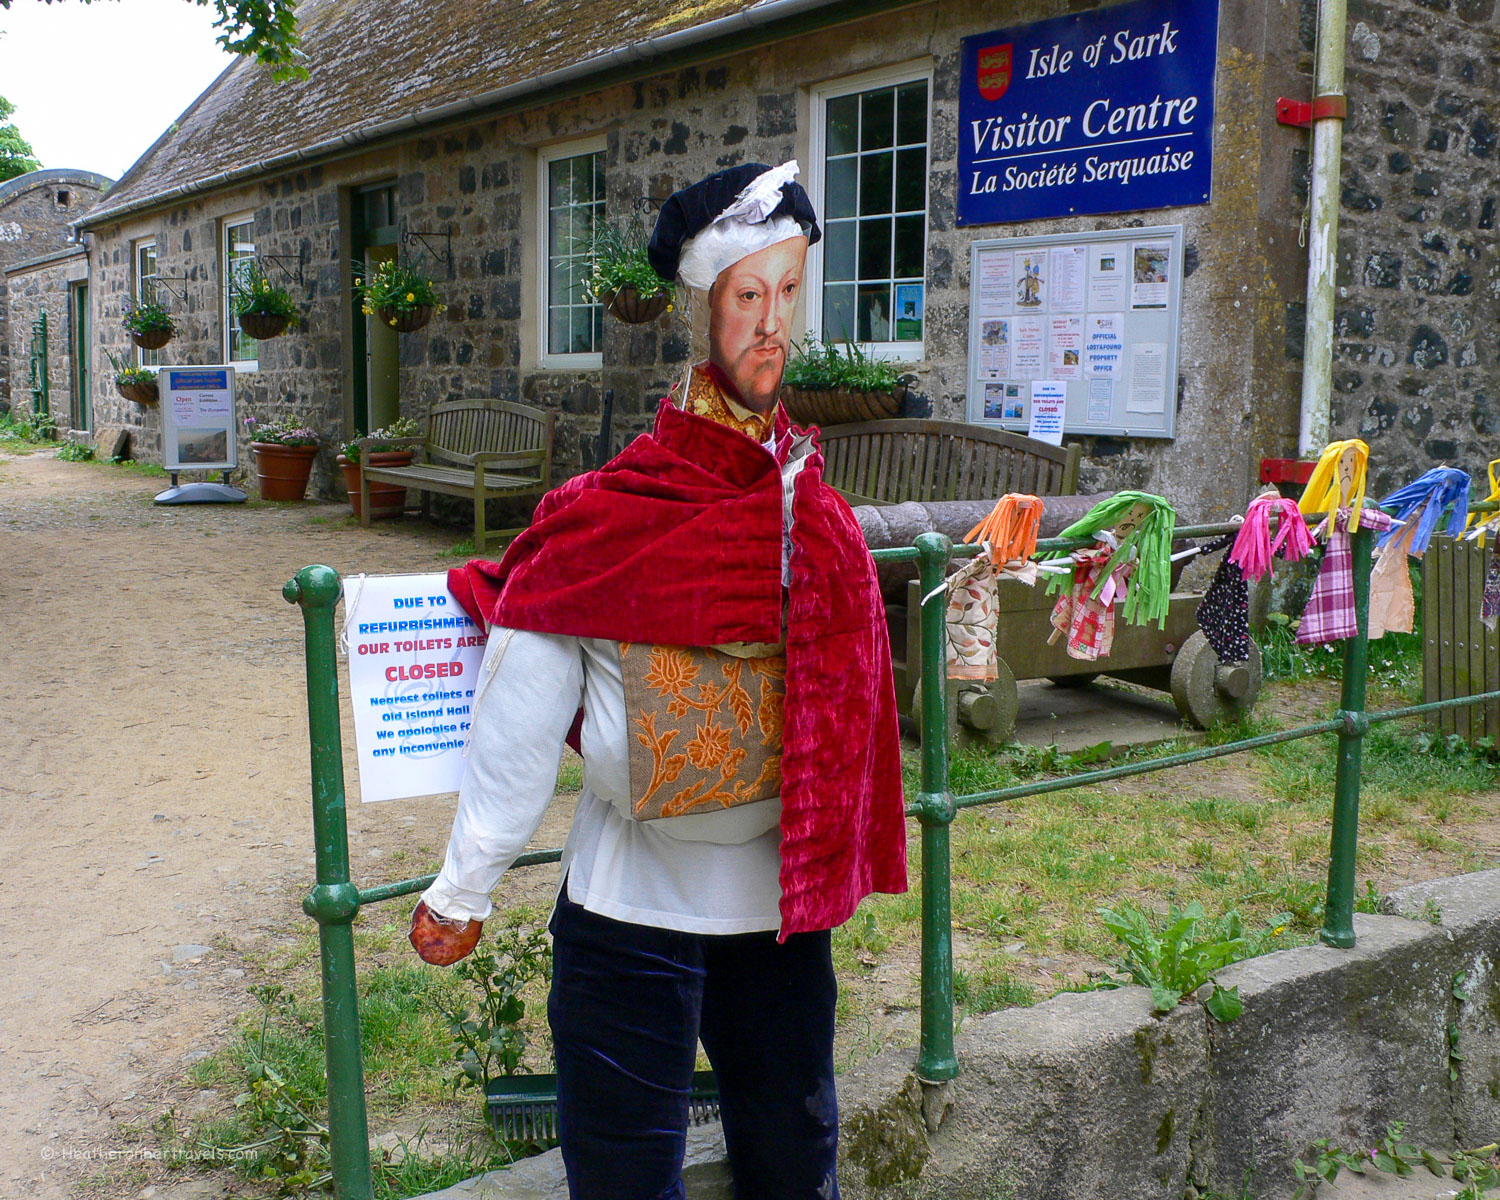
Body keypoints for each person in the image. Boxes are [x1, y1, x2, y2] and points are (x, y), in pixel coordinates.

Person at [408, 161, 907, 1200]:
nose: (771, 325)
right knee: (627, 1176)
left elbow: (852, 682)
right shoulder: (609, 519)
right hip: (631, 910)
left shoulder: (812, 514)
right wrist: (466, 883)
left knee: (793, 1159)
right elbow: (524, 697)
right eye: (746, 296)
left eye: (786, 295)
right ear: (704, 310)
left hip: (777, 911)